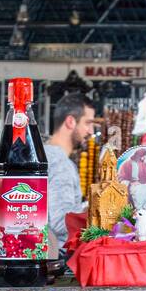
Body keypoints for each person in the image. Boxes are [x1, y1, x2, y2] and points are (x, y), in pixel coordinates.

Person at [46, 92, 95, 250]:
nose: (91, 131)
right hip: (60, 256)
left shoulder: (45, 154)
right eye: (88, 123)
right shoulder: (60, 163)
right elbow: (61, 223)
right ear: (70, 121)